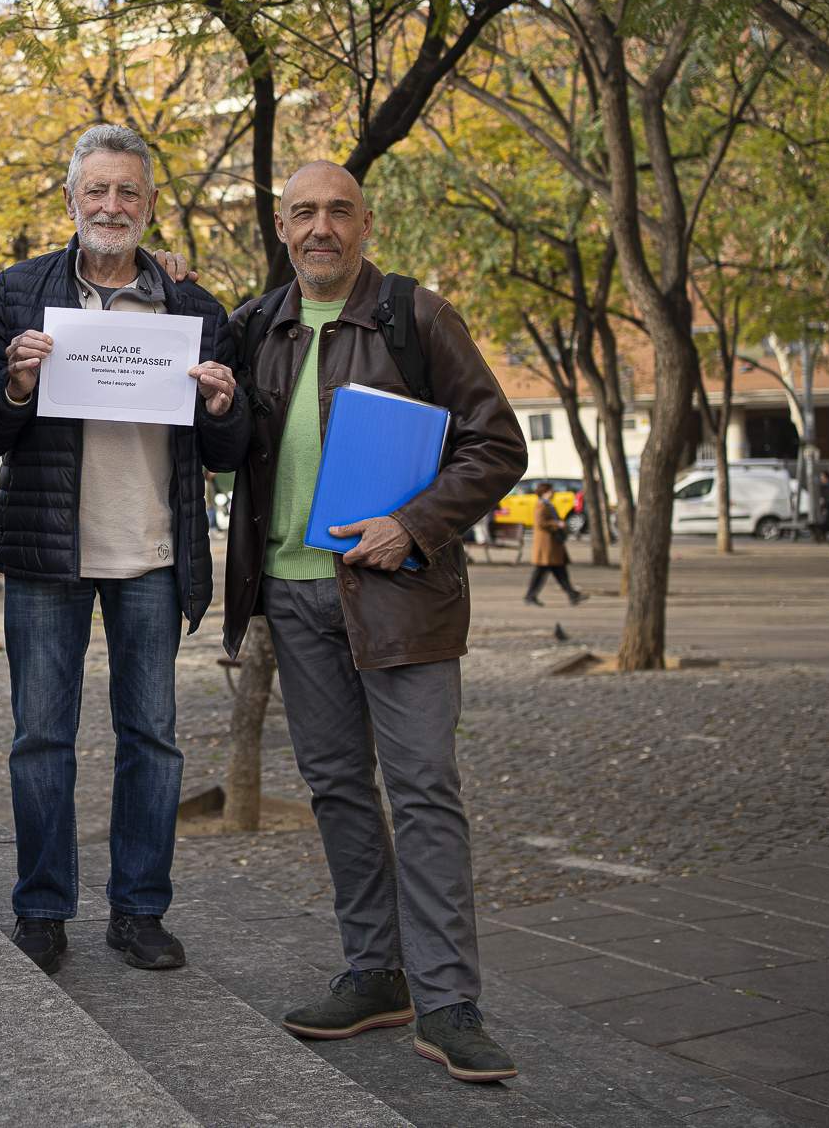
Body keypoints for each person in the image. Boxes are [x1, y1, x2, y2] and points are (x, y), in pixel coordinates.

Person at [221, 161, 527, 1083]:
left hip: (398, 596)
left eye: (339, 212)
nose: (322, 227)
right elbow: (222, 438)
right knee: (339, 791)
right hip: (292, 592)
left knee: (425, 789)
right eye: (305, 212)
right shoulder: (252, 326)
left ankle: (450, 1000)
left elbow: (498, 440)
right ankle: (375, 972)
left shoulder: (416, 316)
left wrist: (415, 523)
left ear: (366, 224)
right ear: (282, 226)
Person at [0, 124, 247, 974]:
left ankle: (139, 909)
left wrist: (226, 406)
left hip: (154, 554)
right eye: (97, 191)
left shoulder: (194, 310)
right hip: (50, 554)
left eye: (129, 192)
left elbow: (227, 454)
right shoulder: (19, 291)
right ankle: (43, 909)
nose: (112, 206)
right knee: (40, 739)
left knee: (152, 738)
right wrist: (15, 382)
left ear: (150, 204)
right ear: (71, 201)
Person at [525, 482, 586, 607]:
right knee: (544, 572)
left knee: (559, 571)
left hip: (552, 545)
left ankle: (572, 594)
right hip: (546, 545)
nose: (553, 493)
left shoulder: (547, 504)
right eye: (551, 490)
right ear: (545, 492)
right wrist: (557, 524)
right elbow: (540, 523)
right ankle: (530, 596)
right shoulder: (541, 505)